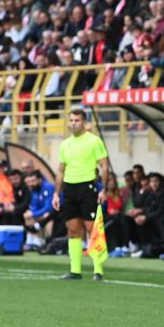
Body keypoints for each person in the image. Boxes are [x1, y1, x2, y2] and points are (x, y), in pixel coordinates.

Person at [52, 109, 109, 280]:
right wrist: (56, 193)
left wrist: (103, 188)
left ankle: (98, 270)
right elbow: (61, 170)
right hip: (69, 189)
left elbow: (104, 166)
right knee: (73, 229)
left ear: (84, 122)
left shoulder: (94, 141)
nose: (73, 123)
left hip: (87, 187)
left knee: (92, 229)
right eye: (71, 120)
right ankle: (75, 270)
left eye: (77, 120)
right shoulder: (65, 144)